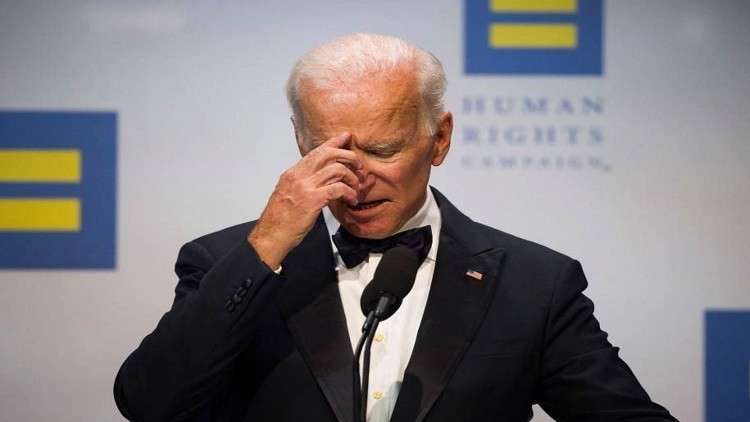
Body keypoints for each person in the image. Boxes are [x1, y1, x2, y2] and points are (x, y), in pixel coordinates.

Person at [114, 33, 677, 422]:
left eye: (383, 150)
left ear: (440, 139)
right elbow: (149, 404)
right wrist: (265, 247)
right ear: (299, 141)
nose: (356, 180)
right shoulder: (225, 263)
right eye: (330, 152)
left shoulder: (534, 284)